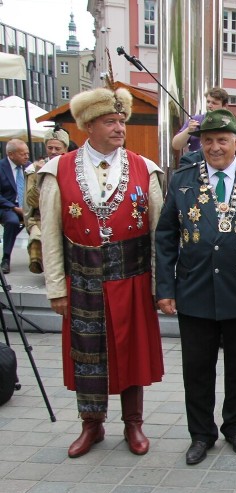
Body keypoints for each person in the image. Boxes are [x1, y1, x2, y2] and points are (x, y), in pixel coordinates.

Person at [40, 86, 164, 458]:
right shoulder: (57, 169)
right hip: (83, 278)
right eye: (110, 121)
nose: (119, 128)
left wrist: (160, 285)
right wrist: (57, 288)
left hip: (133, 276)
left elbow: (160, 233)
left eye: (121, 121)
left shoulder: (146, 168)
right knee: (87, 352)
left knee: (131, 351)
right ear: (88, 126)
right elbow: (49, 233)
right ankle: (91, 425)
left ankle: (134, 424)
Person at [156, 109, 236, 465]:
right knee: (197, 368)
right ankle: (201, 434)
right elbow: (165, 237)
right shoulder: (182, 180)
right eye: (208, 140)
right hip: (194, 290)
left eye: (222, 140)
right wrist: (165, 288)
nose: (214, 147)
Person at [25, 128, 69, 274]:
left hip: (68, 214)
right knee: (39, 237)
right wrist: (39, 177)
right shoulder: (35, 170)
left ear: (65, 148)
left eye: (58, 148)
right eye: (50, 148)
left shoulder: (74, 167)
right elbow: (32, 201)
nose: (53, 151)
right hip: (42, 217)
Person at [0, 138, 31, 274]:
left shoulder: (29, 167)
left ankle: (40, 257)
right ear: (11, 154)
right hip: (7, 206)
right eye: (22, 154)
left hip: (28, 206)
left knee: (44, 221)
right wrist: (14, 208)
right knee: (12, 221)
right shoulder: (1, 168)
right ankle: (6, 258)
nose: (26, 156)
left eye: (27, 153)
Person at [171, 86, 229, 153]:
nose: (209, 105)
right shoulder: (196, 119)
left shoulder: (230, 123)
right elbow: (176, 145)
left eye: (214, 103)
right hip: (195, 161)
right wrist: (188, 130)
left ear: (224, 106)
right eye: (208, 101)